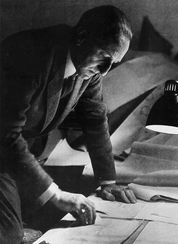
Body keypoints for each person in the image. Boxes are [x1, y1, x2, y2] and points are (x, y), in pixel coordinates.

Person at [0, 5, 137, 243]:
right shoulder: (31, 53)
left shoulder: (89, 69)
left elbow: (94, 119)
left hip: (20, 155)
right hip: (4, 152)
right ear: (82, 36)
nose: (104, 72)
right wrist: (56, 193)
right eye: (104, 57)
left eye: (112, 64)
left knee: (62, 207)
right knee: (9, 235)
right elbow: (6, 135)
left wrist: (108, 181)